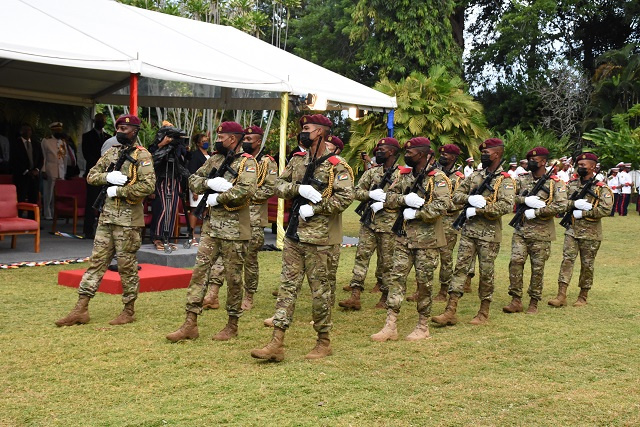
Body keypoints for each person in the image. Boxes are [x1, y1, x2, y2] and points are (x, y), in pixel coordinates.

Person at [251, 114, 354, 362]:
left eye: (307, 129)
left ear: (320, 132)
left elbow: (345, 198)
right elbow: (278, 185)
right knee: (287, 287)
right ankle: (276, 342)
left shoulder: (337, 166)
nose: (303, 133)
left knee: (320, 292)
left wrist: (316, 207)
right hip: (295, 235)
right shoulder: (298, 161)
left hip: (320, 240)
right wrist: (299, 189)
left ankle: (323, 341)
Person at [54, 114, 156, 327]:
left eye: (126, 128)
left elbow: (148, 187)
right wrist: (107, 178)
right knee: (96, 263)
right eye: (118, 127)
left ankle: (129, 310)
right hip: (107, 218)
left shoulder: (142, 156)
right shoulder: (111, 152)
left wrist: (120, 190)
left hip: (128, 221)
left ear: (135, 131)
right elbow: (91, 176)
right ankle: (81, 308)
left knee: (126, 266)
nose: (120, 131)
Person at [166, 121, 257, 342]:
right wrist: (210, 184)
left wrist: (221, 195)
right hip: (211, 227)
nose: (216, 140)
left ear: (232, 139)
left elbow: (247, 190)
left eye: (221, 136)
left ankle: (232, 325)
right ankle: (190, 323)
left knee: (234, 279)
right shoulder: (215, 159)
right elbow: (194, 180)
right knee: (199, 273)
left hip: (235, 231)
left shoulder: (248, 162)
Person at [371, 137, 450, 342]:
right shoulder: (404, 175)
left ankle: (423, 326)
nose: (406, 155)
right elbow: (388, 197)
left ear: (423, 154)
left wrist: (418, 213)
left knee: (424, 284)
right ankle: (390, 325)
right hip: (403, 237)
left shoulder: (438, 178)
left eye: (411, 152)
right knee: (395, 279)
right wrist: (405, 200)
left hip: (427, 241)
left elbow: (442, 206)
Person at [432, 138, 516, 326]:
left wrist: (480, 208)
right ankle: (450, 310)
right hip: (469, 231)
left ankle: (483, 312)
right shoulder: (476, 176)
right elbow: (457, 195)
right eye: (482, 153)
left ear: (497, 154)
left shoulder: (506, 180)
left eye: (487, 153)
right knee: (460, 269)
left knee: (486, 272)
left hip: (489, 233)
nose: (483, 155)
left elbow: (506, 206)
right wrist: (471, 198)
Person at [201, 125, 278, 311]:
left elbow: (270, 188)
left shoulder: (267, 162)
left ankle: (249, 295)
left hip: (253, 218)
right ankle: (212, 294)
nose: (246, 143)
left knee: (249, 259)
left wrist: (243, 195)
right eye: (245, 139)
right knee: (219, 255)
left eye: (250, 140)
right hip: (230, 213)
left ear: (259, 141)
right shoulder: (234, 159)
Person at [503, 147, 568, 314]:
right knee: (515, 263)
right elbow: (509, 196)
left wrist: (538, 211)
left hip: (542, 232)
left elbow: (561, 205)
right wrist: (525, 200)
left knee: (537, 268)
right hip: (521, 230)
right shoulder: (522, 179)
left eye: (535, 160)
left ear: (544, 162)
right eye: (529, 160)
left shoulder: (555, 183)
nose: (531, 162)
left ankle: (534, 301)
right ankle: (516, 299)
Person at [339, 137, 401, 311]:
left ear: (393, 152)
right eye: (378, 149)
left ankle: (385, 296)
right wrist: (370, 195)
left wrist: (387, 200)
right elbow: (356, 191)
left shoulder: (402, 174)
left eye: (383, 150)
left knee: (387, 262)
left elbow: (408, 199)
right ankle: (355, 294)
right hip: (369, 221)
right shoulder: (372, 173)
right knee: (361, 257)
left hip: (389, 225)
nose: (379, 153)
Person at [549, 152, 613, 307]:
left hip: (591, 233)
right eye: (579, 164)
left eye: (584, 165)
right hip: (572, 229)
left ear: (593, 166)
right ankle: (561, 294)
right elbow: (563, 203)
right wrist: (574, 205)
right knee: (567, 261)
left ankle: (583, 295)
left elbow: (606, 210)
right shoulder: (572, 185)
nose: (581, 167)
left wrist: (584, 212)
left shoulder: (601, 188)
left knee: (587, 264)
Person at [431, 144, 467, 302]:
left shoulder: (458, 178)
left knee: (445, 257)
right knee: (427, 256)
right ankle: (422, 288)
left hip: (448, 222)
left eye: (446, 154)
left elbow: (460, 202)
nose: (443, 156)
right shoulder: (434, 174)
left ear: (453, 157)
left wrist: (442, 205)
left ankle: (444, 289)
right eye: (442, 154)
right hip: (431, 220)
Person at [148, 122, 189, 250]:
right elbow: (150, 159)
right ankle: (157, 237)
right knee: (163, 208)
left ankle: (167, 237)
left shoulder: (177, 146)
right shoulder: (155, 146)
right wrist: (162, 145)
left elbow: (185, 159)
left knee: (172, 209)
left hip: (175, 178)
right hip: (161, 179)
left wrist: (183, 147)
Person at [82, 113, 112, 238]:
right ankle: (88, 230)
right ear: (95, 121)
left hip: (106, 174)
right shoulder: (87, 136)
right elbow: (86, 154)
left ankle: (102, 230)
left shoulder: (108, 137)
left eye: (103, 120)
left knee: (104, 202)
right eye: (100, 120)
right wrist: (99, 165)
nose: (102, 122)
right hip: (94, 173)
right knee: (91, 202)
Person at [10, 124, 43, 210]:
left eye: (30, 130)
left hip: (34, 177)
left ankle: (32, 221)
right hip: (21, 176)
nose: (28, 132)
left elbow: (41, 158)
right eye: (26, 130)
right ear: (21, 132)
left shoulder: (36, 144)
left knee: (33, 200)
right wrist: (26, 171)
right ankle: (19, 220)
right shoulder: (15, 144)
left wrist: (37, 169)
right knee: (20, 199)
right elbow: (14, 160)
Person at [41, 122, 68, 220]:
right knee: (48, 193)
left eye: (60, 130)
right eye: (57, 130)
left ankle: (56, 212)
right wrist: (43, 170)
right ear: (52, 130)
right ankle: (47, 213)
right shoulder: (46, 141)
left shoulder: (62, 142)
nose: (59, 132)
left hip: (60, 171)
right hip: (49, 169)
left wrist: (64, 172)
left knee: (58, 193)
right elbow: (43, 156)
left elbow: (64, 157)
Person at [187, 133, 210, 245]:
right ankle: (191, 236)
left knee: (206, 211)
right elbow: (192, 172)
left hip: (208, 187)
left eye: (207, 140)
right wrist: (194, 190)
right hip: (197, 187)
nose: (206, 143)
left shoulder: (210, 154)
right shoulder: (195, 155)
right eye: (203, 141)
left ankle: (204, 236)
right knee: (195, 211)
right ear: (198, 143)